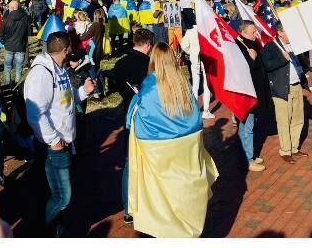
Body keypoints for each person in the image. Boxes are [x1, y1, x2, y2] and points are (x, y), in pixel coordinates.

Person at [125, 42, 218, 238]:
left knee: (160, 190)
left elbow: (134, 116)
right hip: (187, 144)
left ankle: (167, 228)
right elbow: (194, 116)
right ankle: (187, 225)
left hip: (157, 147)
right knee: (183, 187)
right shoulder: (183, 84)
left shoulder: (148, 87)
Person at [24, 31, 96, 237]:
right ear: (65, 50)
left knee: (58, 193)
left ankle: (58, 230)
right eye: (70, 48)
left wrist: (84, 91)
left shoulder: (59, 69)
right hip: (54, 146)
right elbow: (35, 113)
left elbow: (65, 99)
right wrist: (54, 140)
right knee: (63, 196)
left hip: (64, 141)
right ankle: (44, 232)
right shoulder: (42, 73)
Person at [106, 27, 155, 223]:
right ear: (148, 45)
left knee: (129, 162)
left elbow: (117, 86)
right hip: (149, 120)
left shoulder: (120, 63)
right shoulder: (150, 66)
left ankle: (128, 209)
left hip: (128, 117)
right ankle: (148, 203)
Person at [260, 22, 309, 163]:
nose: (291, 34)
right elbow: (267, 66)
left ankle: (294, 147)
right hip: (281, 88)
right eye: (288, 31)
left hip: (296, 85)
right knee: (284, 120)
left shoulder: (294, 45)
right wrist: (283, 59)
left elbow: (300, 63)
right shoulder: (270, 47)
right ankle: (285, 150)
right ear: (280, 32)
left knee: (298, 118)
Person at [234, 20, 269, 172]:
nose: (256, 34)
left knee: (250, 125)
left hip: (255, 92)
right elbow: (240, 71)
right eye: (252, 32)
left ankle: (249, 154)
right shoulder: (238, 47)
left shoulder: (252, 44)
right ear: (242, 32)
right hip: (246, 94)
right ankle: (247, 159)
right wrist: (251, 59)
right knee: (246, 127)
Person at [179, 10, 214, 119]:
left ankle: (195, 109)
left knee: (195, 83)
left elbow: (183, 44)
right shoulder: (207, 30)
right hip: (206, 57)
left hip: (195, 57)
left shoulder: (191, 30)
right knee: (206, 83)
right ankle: (206, 110)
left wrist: (191, 52)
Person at [0, 0, 30, 86]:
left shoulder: (6, 19)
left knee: (8, 67)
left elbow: (1, 34)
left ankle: (8, 85)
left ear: (12, 8)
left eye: (9, 7)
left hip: (10, 46)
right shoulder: (25, 18)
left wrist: (4, 42)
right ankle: (17, 85)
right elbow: (29, 32)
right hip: (20, 46)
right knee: (18, 68)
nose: (8, 9)